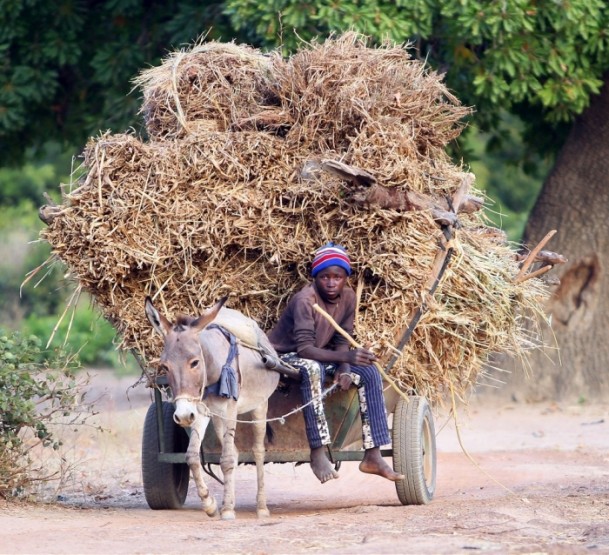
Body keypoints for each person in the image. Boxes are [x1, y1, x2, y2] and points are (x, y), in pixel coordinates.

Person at [268, 242, 404, 484]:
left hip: (321, 355)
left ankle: (372, 455)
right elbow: (305, 350)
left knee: (369, 372)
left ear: (345, 279)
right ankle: (318, 452)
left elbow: (341, 338)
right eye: (325, 277)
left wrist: (345, 369)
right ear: (315, 278)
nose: (331, 283)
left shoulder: (348, 298)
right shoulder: (305, 300)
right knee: (312, 369)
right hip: (286, 357)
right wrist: (347, 358)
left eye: (337, 277)